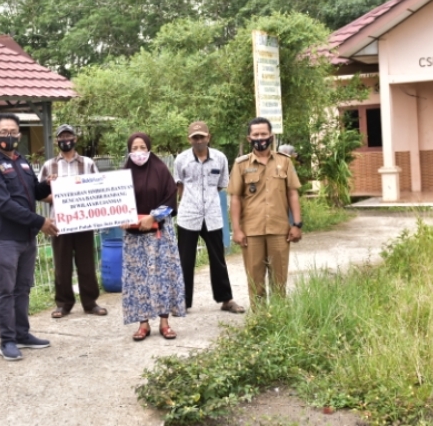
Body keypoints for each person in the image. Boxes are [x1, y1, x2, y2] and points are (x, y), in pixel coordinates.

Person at [0, 114, 58, 361]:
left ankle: (23, 334)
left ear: (20, 135)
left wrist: (47, 184)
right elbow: (5, 205)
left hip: (26, 237)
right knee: (6, 290)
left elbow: (32, 191)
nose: (9, 135)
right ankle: (7, 340)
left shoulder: (22, 162)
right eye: (4, 131)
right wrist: (40, 222)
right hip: (5, 238)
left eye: (13, 131)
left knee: (23, 288)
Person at [228, 117, 303, 306]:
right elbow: (236, 198)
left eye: (263, 134)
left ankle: (279, 321)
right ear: (249, 138)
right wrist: (236, 229)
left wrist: (297, 224)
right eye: (256, 134)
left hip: (280, 231)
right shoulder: (241, 165)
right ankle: (260, 322)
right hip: (251, 232)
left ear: (271, 136)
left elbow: (292, 193)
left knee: (279, 281)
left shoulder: (284, 162)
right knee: (255, 282)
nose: (260, 138)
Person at [120, 133, 185, 341]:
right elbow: (116, 200)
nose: (138, 152)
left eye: (142, 147)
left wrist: (153, 216)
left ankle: (164, 323)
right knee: (138, 279)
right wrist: (120, 217)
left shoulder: (160, 170)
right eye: (135, 148)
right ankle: (143, 324)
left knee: (162, 276)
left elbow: (170, 198)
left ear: (149, 148)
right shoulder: (124, 174)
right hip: (133, 237)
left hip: (159, 235)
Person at [174, 121, 244, 314]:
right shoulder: (181, 160)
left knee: (218, 258)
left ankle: (226, 300)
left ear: (208, 137)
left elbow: (221, 185)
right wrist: (189, 201)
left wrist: (208, 201)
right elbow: (179, 185)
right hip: (188, 215)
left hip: (212, 215)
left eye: (202, 137)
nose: (199, 141)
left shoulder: (220, 158)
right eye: (195, 137)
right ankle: (182, 302)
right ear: (189, 139)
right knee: (185, 259)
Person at [39, 124, 107, 318]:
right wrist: (56, 197)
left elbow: (98, 188)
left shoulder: (87, 163)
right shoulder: (48, 165)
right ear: (57, 141)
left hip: (83, 221)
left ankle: (90, 302)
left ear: (75, 139)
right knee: (61, 264)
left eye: (69, 136)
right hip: (59, 221)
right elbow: (40, 193)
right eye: (62, 137)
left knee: (86, 263)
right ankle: (63, 304)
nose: (65, 140)